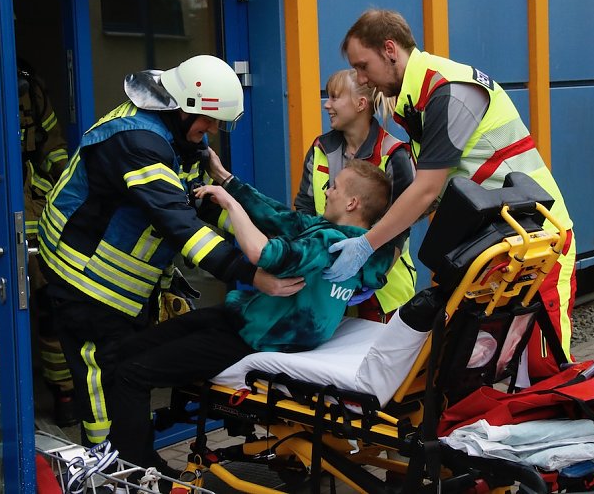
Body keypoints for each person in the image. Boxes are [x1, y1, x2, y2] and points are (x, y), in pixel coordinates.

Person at [37, 55, 305, 453]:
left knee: (127, 375)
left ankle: (135, 457)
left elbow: (201, 204)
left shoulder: (181, 134)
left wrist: (269, 248)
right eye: (208, 121)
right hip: (84, 279)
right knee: (102, 380)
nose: (212, 130)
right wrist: (251, 275)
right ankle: (110, 470)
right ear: (182, 107)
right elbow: (180, 224)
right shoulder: (137, 142)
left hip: (120, 285)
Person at [326, 9, 576, 379]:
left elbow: (426, 190)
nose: (361, 80)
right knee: (474, 365)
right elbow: (433, 193)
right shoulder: (418, 100)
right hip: (497, 243)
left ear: (390, 50)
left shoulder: (448, 91)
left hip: (538, 242)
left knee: (542, 366)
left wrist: (367, 245)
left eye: (363, 66)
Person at [108, 156, 396, 470]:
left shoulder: (329, 243)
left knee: (130, 374)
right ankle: (125, 445)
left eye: (335, 187)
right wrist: (225, 178)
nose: (327, 191)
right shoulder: (359, 248)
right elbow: (278, 216)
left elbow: (264, 254)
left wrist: (230, 203)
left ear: (353, 202)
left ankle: (139, 469)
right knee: (123, 353)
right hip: (243, 317)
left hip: (255, 339)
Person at [294, 68, 416, 321]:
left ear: (360, 104)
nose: (327, 105)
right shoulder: (320, 148)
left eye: (335, 97)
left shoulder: (394, 154)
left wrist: (372, 277)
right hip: (324, 285)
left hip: (383, 293)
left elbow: (401, 228)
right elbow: (304, 210)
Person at [16, 58, 77, 427]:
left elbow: (53, 146)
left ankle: (65, 394)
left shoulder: (30, 86)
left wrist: (68, 193)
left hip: (39, 210)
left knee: (51, 310)